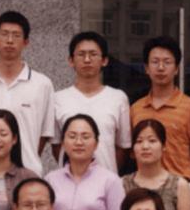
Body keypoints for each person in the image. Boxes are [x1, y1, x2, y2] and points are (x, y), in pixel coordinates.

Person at [0, 11, 55, 174]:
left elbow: (44, 134)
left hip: (28, 175)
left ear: (26, 42)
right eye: (4, 34)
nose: (10, 40)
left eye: (16, 35)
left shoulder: (42, 85)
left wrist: (27, 161)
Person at [129, 36, 190, 181]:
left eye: (167, 62)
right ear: (146, 68)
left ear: (176, 69)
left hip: (181, 186)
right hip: (144, 187)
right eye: (155, 62)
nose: (161, 67)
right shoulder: (135, 109)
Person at [52, 31, 131, 173]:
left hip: (106, 181)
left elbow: (122, 147)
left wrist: (106, 172)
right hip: (69, 180)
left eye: (93, 54)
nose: (87, 60)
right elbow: (57, 145)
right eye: (81, 54)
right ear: (71, 60)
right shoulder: (58, 99)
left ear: (104, 60)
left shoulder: (118, 98)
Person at [122, 119, 190, 210]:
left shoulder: (179, 185)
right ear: (133, 148)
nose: (145, 146)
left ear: (164, 146)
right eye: (139, 141)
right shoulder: (122, 184)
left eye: (152, 140)